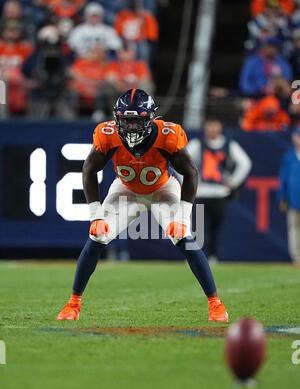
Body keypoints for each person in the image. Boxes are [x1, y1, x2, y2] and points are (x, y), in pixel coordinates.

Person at [56, 89, 229, 323]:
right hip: (126, 190)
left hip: (163, 189)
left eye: (137, 121)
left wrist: (182, 217)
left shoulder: (167, 135)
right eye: (126, 121)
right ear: (117, 118)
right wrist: (95, 215)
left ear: (150, 118)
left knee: (184, 239)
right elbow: (89, 170)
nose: (131, 127)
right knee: (97, 236)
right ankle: (73, 303)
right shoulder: (107, 134)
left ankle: (215, 304)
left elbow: (190, 173)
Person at [188, 119, 252, 262]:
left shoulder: (230, 145)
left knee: (215, 228)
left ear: (220, 127)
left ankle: (213, 256)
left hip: (219, 192)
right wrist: (190, 182)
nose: (212, 129)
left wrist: (233, 182)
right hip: (202, 192)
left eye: (215, 125)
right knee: (197, 228)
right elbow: (181, 161)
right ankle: (195, 257)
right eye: (210, 125)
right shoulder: (197, 144)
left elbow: (245, 163)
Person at [278, 128, 300, 265]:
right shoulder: (289, 156)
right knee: (293, 227)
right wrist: (282, 197)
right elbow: (283, 179)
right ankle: (296, 257)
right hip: (293, 199)